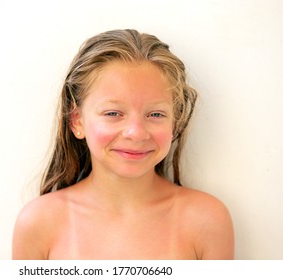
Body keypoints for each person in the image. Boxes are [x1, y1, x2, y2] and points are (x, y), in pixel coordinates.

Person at [12, 29, 234, 259]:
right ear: (77, 121)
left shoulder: (207, 220)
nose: (136, 133)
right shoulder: (38, 223)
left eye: (156, 114)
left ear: (175, 121)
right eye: (113, 113)